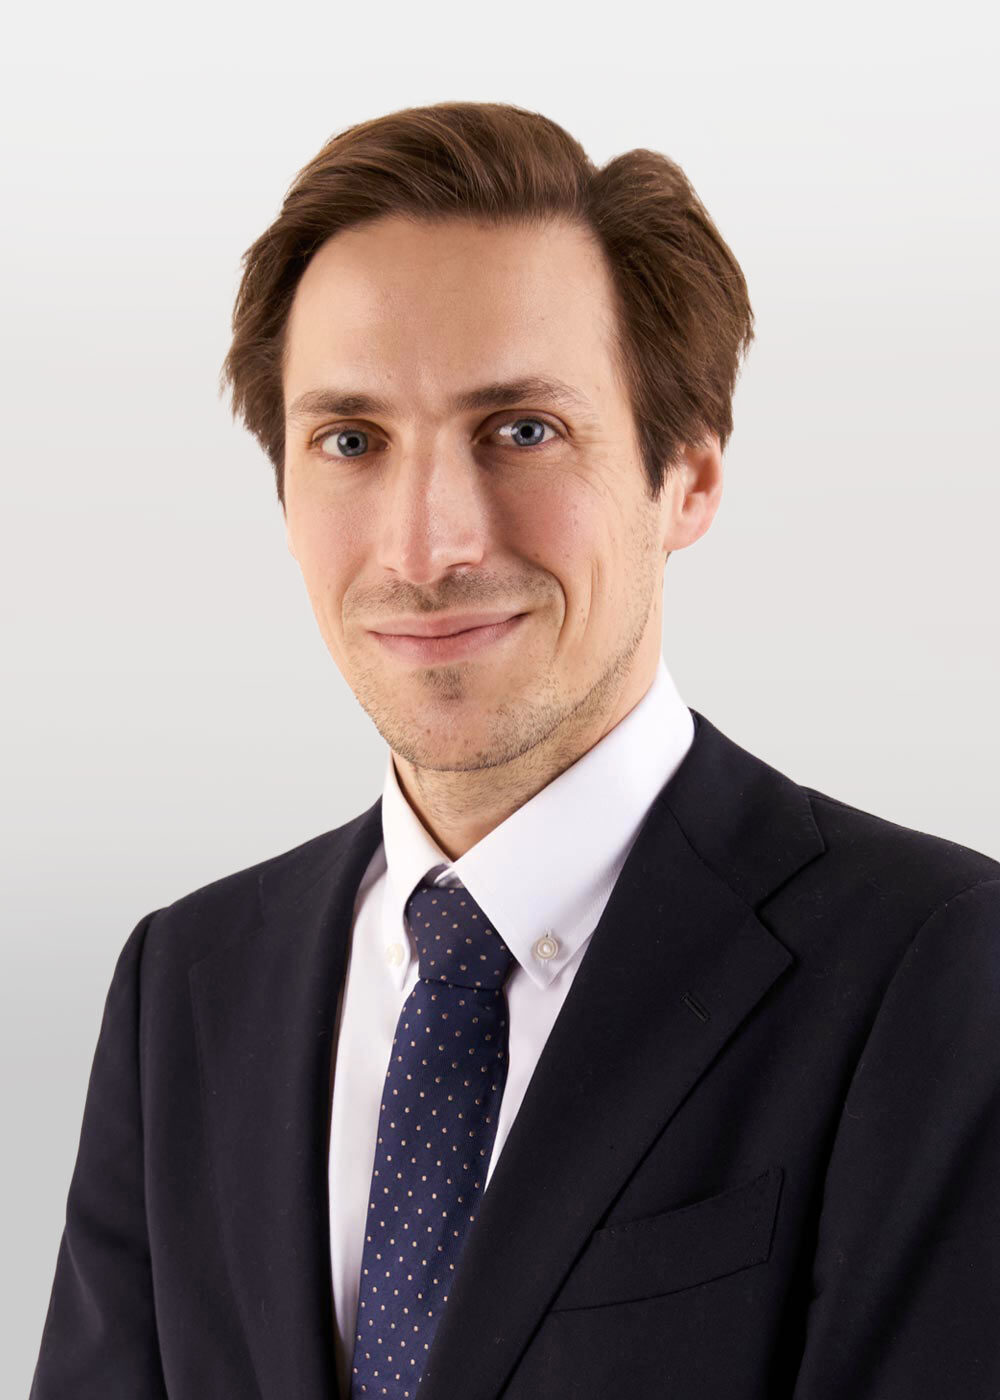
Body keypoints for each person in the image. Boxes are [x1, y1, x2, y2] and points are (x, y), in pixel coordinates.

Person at [30, 100, 1000, 1400]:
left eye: (522, 430)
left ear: (688, 477)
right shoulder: (187, 987)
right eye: (350, 441)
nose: (427, 546)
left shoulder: (934, 966)